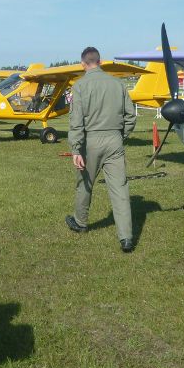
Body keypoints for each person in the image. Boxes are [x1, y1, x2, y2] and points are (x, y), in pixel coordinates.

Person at [66, 46, 137, 253]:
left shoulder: (80, 86)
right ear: (101, 62)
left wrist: (76, 149)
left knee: (85, 183)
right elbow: (130, 116)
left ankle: (80, 222)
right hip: (115, 140)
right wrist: (121, 136)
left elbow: (76, 121)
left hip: (91, 141)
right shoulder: (118, 84)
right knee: (120, 188)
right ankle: (126, 237)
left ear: (83, 64)